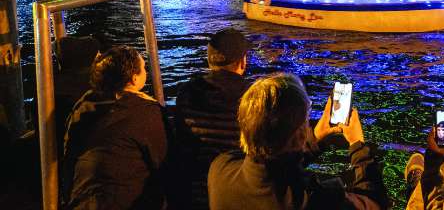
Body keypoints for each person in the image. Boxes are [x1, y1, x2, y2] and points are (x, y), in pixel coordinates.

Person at [208, 73, 387, 210]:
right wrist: (358, 145)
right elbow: (373, 203)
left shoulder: (220, 170)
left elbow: (271, 165)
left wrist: (315, 137)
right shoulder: (313, 199)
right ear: (300, 135)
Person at [62, 46, 170, 210]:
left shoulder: (85, 104)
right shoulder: (144, 111)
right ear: (134, 78)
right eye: (143, 68)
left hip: (80, 200)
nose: (146, 71)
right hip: (123, 202)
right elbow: (163, 160)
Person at [175, 29, 251, 210]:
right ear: (242, 62)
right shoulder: (252, 96)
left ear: (209, 61)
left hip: (194, 191)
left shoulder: (186, 93)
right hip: (238, 191)